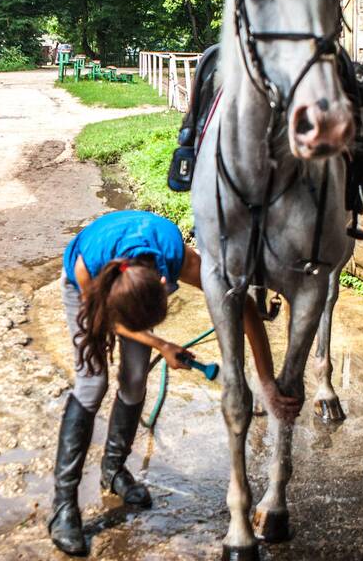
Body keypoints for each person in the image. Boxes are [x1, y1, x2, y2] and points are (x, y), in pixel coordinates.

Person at [48, 209, 300, 556]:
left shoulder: (176, 256)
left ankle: (113, 468)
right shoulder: (86, 268)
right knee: (92, 383)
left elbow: (242, 309)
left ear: (164, 282)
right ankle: (63, 507)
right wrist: (160, 344)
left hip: (129, 289)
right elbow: (103, 319)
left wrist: (266, 382)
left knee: (135, 380)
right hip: (86, 293)